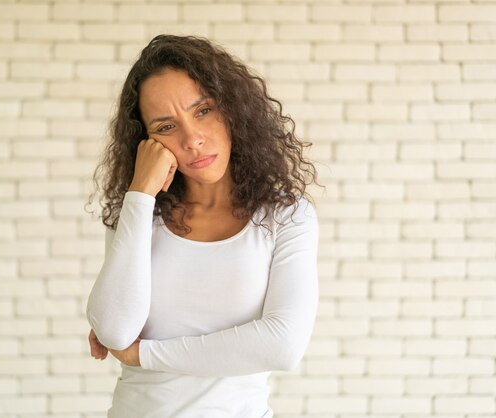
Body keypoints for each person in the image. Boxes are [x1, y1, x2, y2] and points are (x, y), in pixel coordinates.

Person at [85, 34, 321, 417]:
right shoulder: (138, 214)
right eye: (165, 127)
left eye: (203, 110)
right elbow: (114, 330)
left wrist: (143, 353)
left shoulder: (286, 216)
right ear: (145, 142)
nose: (192, 139)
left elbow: (283, 345)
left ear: (232, 110)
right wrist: (140, 193)